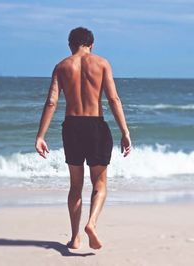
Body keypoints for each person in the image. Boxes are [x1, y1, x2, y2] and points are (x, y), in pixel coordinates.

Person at [35, 27, 132, 250]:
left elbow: (51, 102)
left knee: (75, 185)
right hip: (96, 125)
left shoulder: (61, 66)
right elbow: (114, 99)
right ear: (92, 44)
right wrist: (125, 132)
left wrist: (41, 135)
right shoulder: (102, 63)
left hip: (72, 127)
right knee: (99, 183)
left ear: (70, 44)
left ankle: (75, 237)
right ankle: (92, 224)